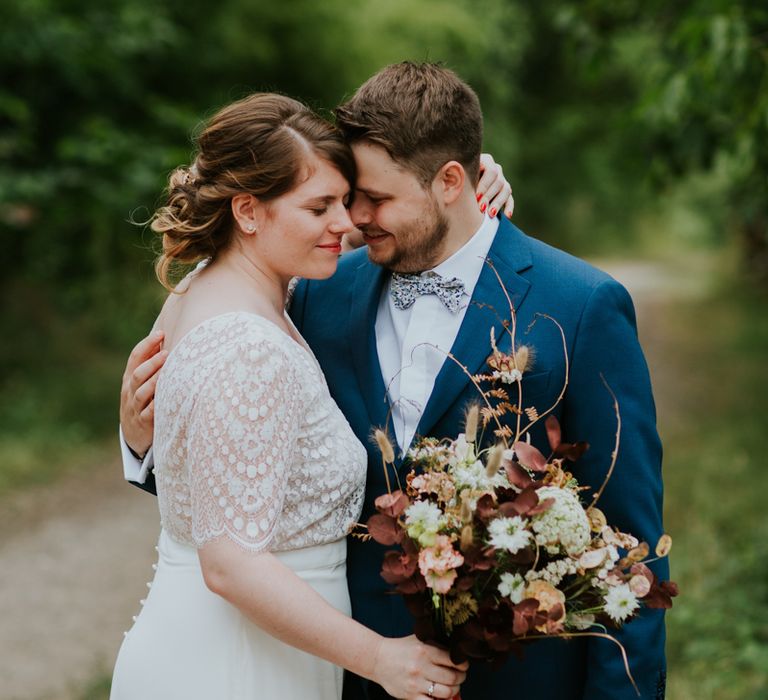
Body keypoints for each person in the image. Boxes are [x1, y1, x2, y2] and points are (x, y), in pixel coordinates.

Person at [121, 63, 667, 699]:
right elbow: (234, 461)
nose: (353, 217)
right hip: (339, 666)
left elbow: (631, 546)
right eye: (343, 197)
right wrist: (140, 439)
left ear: (451, 182)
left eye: (372, 199)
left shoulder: (579, 306)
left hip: (518, 678)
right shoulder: (317, 291)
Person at [111, 92, 476, 700]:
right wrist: (380, 659)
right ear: (249, 212)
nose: (347, 222)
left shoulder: (212, 285)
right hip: (237, 667)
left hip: (229, 645)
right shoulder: (249, 345)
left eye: (347, 200)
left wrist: (464, 189)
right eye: (320, 206)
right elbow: (230, 564)